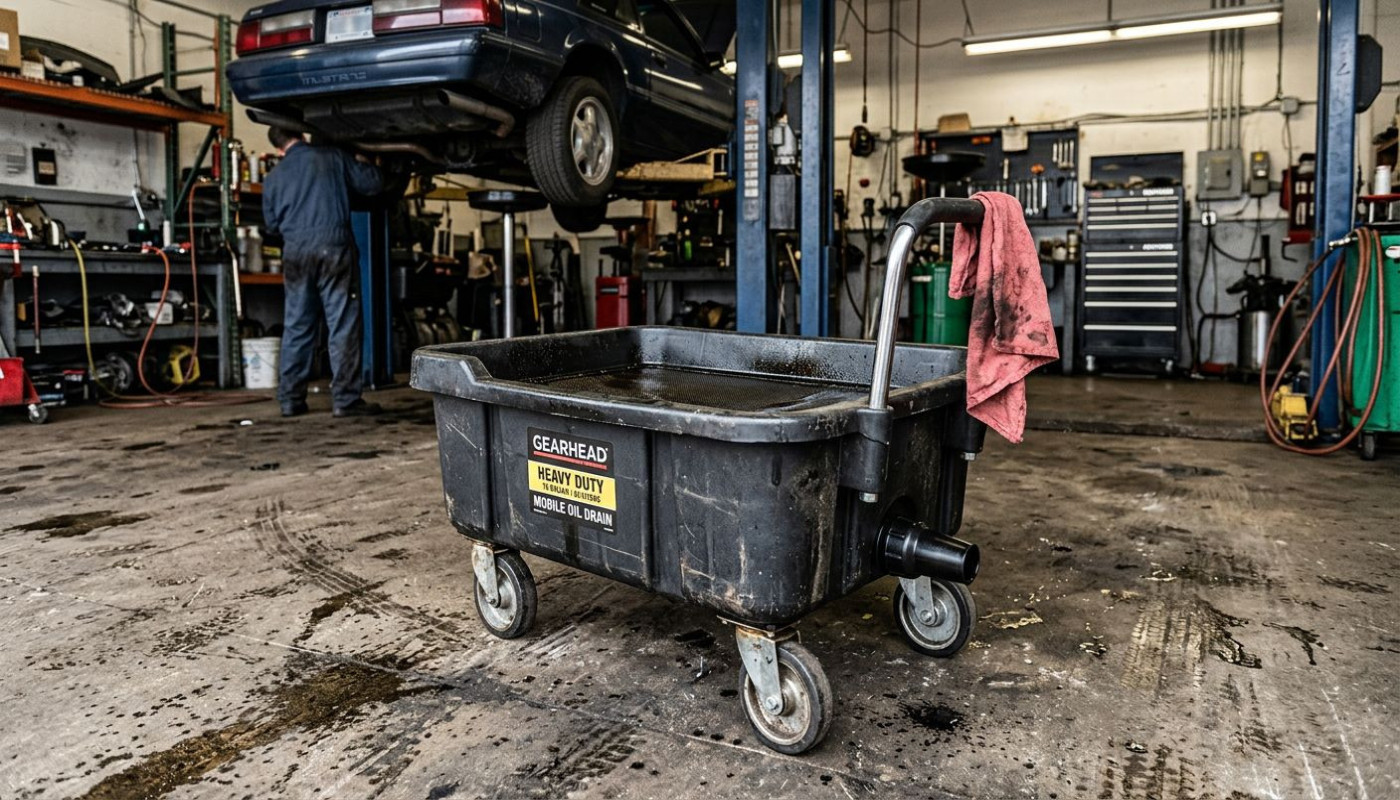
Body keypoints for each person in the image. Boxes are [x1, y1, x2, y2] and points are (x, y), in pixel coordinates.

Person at [262, 127, 384, 417]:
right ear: (302, 135)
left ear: (279, 148)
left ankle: (290, 400)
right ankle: (345, 399)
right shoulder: (331, 157)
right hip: (333, 247)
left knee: (296, 325)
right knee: (342, 323)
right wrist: (366, 160)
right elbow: (372, 185)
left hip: (294, 251)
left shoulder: (273, 177)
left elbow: (270, 226)